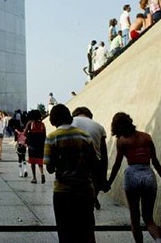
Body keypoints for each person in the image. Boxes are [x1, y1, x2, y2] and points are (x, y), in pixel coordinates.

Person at [106, 112, 161, 243]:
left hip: (132, 175)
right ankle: (159, 240)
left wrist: (109, 182)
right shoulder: (147, 137)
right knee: (149, 219)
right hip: (148, 175)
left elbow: (117, 164)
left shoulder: (122, 141)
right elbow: (155, 161)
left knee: (135, 218)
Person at [44, 104, 96, 243]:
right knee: (86, 231)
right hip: (85, 190)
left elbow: (49, 168)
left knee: (65, 232)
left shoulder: (52, 137)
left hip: (63, 191)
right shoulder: (85, 136)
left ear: (53, 120)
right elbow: (93, 163)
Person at [71, 107, 107, 210]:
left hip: (74, 162)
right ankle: (93, 199)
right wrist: (103, 178)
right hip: (94, 163)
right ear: (89, 115)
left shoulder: (69, 123)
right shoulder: (99, 127)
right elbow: (104, 153)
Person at [24, 109, 46, 184]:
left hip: (32, 144)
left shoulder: (30, 123)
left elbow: (24, 133)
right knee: (40, 160)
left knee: (33, 161)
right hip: (40, 144)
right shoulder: (42, 124)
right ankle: (42, 173)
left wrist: (29, 132)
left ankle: (34, 178)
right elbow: (44, 135)